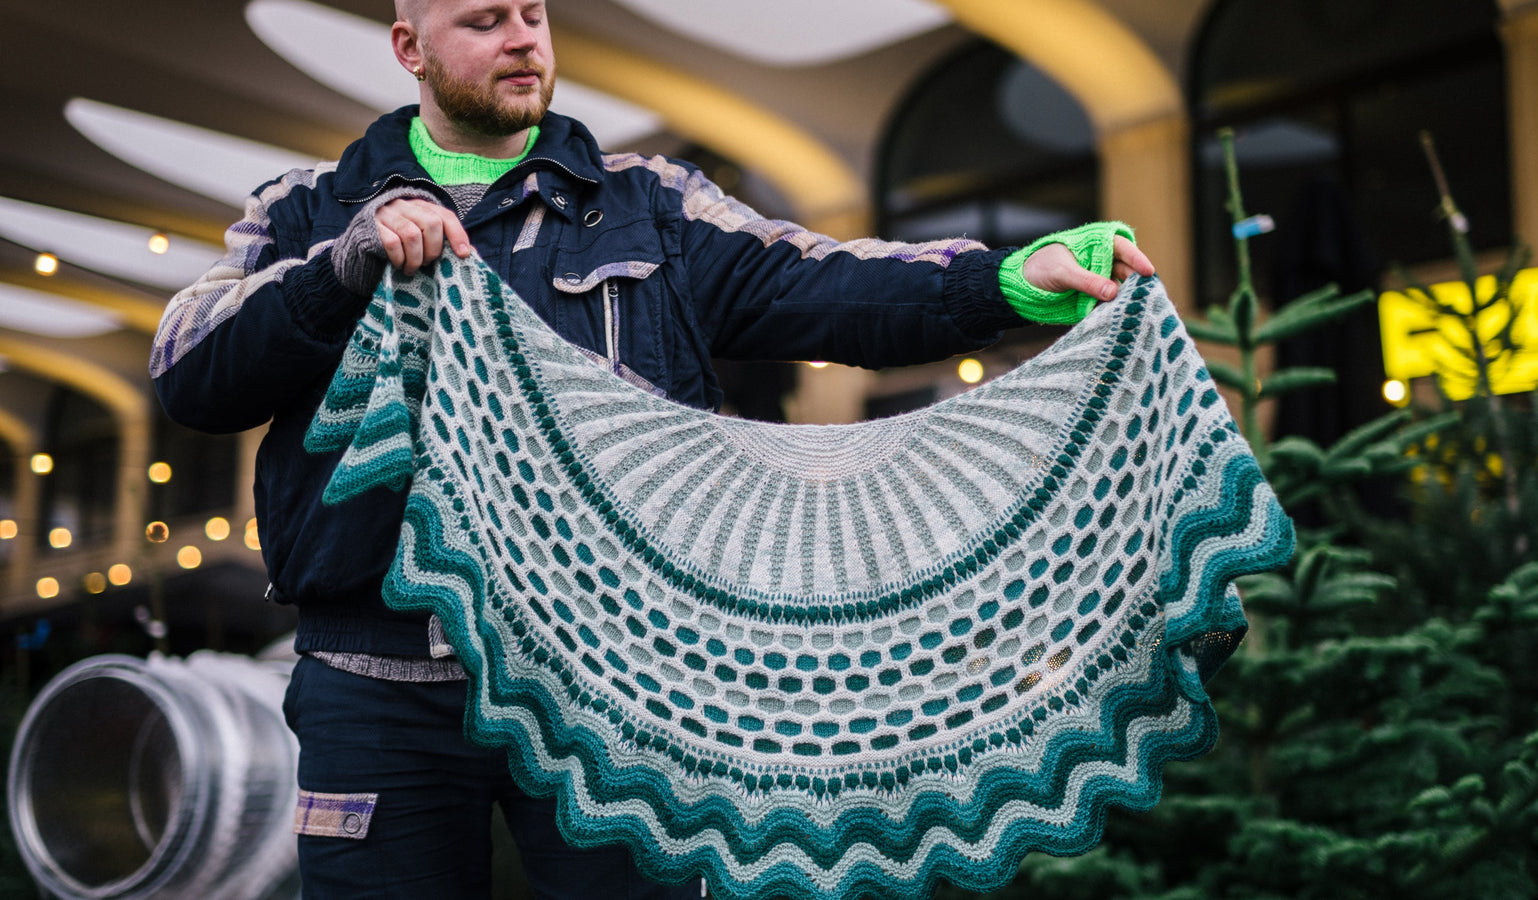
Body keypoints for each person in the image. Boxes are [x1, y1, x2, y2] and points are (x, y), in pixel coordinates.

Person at [150, 1, 1155, 897]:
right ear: (411, 48)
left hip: (612, 685)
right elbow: (190, 368)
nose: (522, 39)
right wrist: (341, 268)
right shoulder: (307, 208)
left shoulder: (650, 204)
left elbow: (829, 284)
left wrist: (1005, 280)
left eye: (534, 15)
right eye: (486, 20)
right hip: (374, 683)